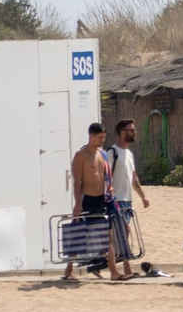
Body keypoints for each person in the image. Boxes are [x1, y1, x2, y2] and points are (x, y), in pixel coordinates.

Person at [62, 123, 115, 282]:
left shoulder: (103, 154)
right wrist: (78, 203)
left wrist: (110, 191)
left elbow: (105, 176)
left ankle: (113, 271)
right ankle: (69, 269)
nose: (102, 141)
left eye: (104, 138)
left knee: (107, 234)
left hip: (101, 198)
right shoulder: (81, 155)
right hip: (87, 198)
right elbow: (77, 181)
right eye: (99, 138)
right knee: (79, 234)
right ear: (91, 135)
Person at [107, 118, 151, 280]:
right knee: (124, 232)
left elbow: (133, 178)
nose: (134, 132)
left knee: (122, 235)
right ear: (122, 133)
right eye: (131, 130)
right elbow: (106, 176)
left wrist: (142, 195)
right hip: (115, 199)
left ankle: (122, 266)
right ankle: (126, 267)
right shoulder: (112, 152)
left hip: (127, 200)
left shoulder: (129, 154)